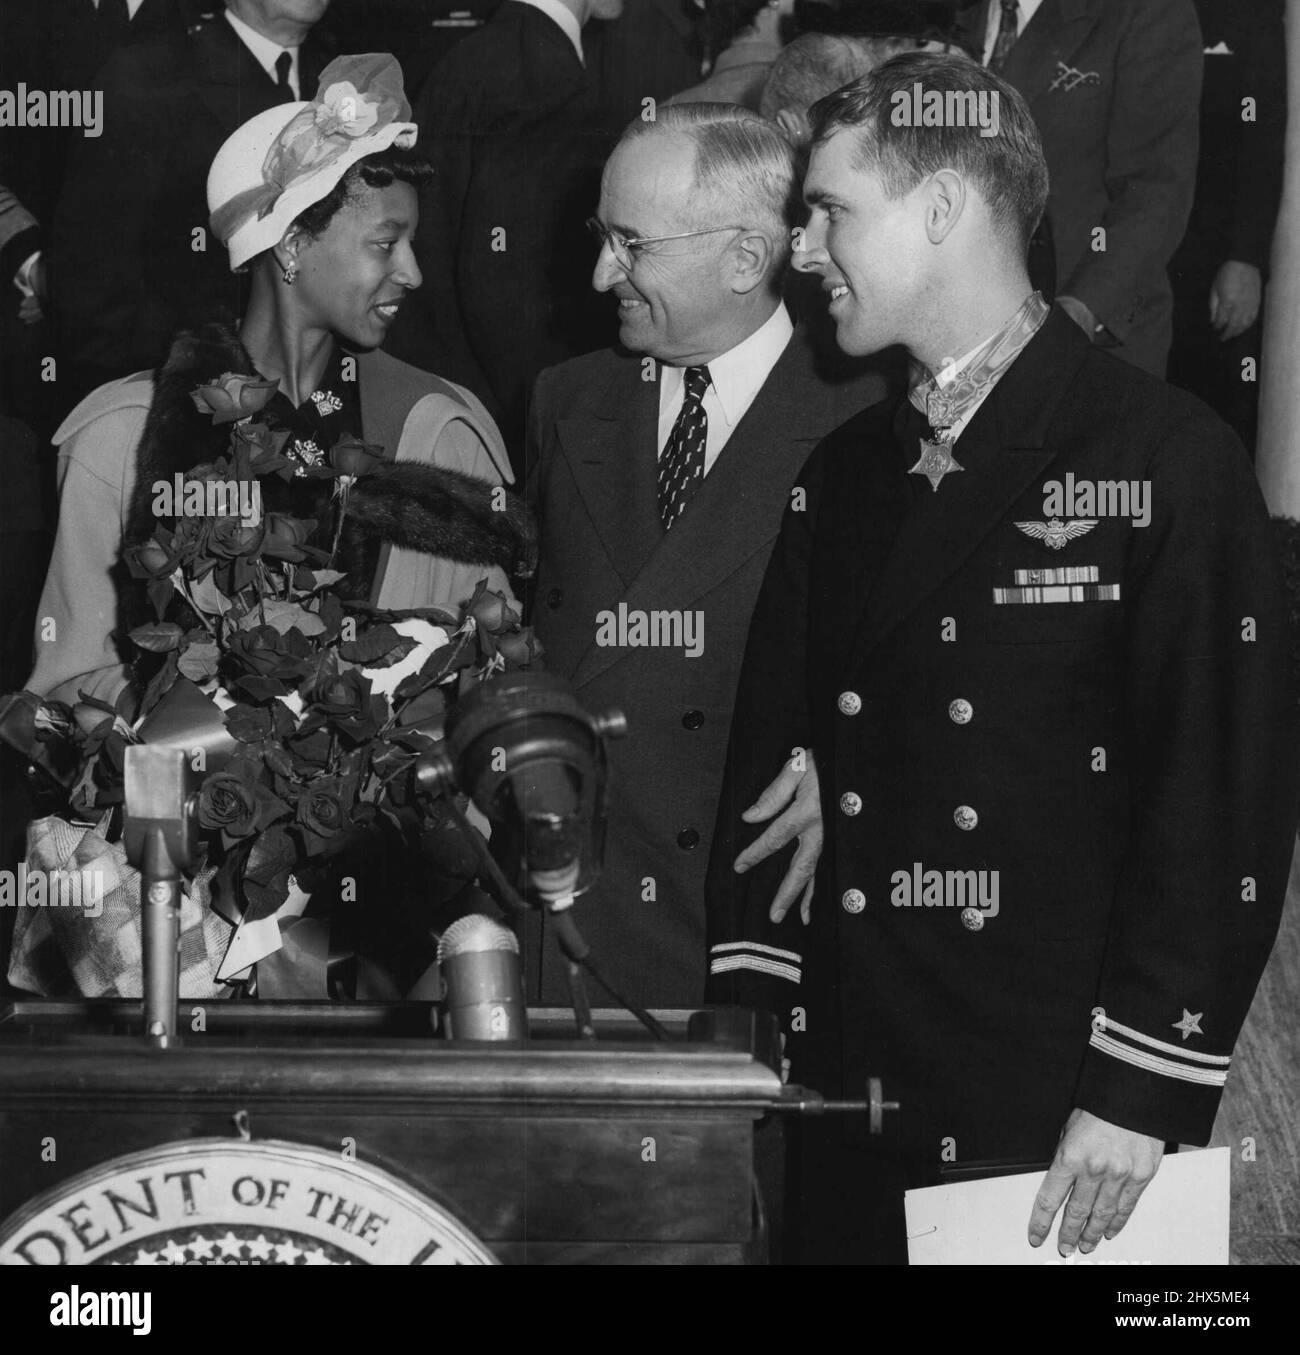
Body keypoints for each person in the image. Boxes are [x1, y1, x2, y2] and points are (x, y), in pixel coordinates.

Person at [706, 52, 1297, 1262]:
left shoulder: (1164, 455)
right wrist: (753, 1028)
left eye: (828, 212)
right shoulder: (847, 472)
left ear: (938, 209)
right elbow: (778, 754)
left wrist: (1141, 1086)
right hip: (856, 1076)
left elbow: (1220, 788)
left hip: (1053, 1101)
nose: (801, 251)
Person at [28, 53, 529, 714]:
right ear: (291, 245)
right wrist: (209, 720)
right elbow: (68, 688)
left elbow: (497, 673)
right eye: (386, 242)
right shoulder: (119, 438)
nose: (413, 272)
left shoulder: (441, 433)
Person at [525, 102, 885, 1008]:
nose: (602, 270)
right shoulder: (565, 400)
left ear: (744, 258)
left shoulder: (872, 422)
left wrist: (849, 762)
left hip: (746, 930)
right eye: (600, 235)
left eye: (632, 245)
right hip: (570, 935)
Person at [48, 0, 337, 411]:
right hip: (178, 398)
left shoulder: (345, 78)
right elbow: (91, 281)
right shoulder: (148, 75)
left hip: (312, 390)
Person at [384, 0, 626, 471]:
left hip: (443, 399)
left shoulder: (478, 52)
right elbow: (509, 288)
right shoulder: (545, 78)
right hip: (497, 424)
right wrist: (545, 441)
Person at [956, 0, 1202, 377]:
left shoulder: (1146, 11)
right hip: (955, 334)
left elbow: (1156, 189)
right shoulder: (944, 12)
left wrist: (1078, 311)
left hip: (1086, 336)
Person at [1167, 0, 1287, 455]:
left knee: (1216, 412)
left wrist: (1245, 257)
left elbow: (1262, 138)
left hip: (1212, 256)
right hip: (1143, 248)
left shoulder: (1250, 15)